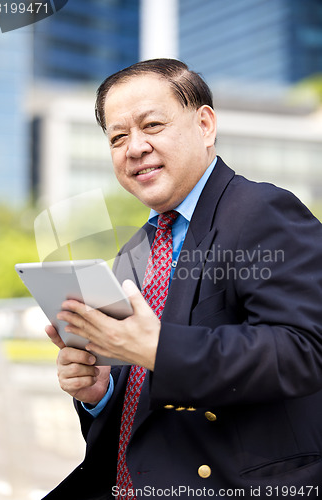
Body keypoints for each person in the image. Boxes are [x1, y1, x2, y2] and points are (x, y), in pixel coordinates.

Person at [43, 59, 322, 500]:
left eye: (151, 125)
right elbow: (142, 405)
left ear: (205, 124)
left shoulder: (261, 211)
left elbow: (302, 351)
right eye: (117, 137)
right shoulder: (135, 251)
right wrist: (100, 392)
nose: (134, 147)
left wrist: (156, 348)